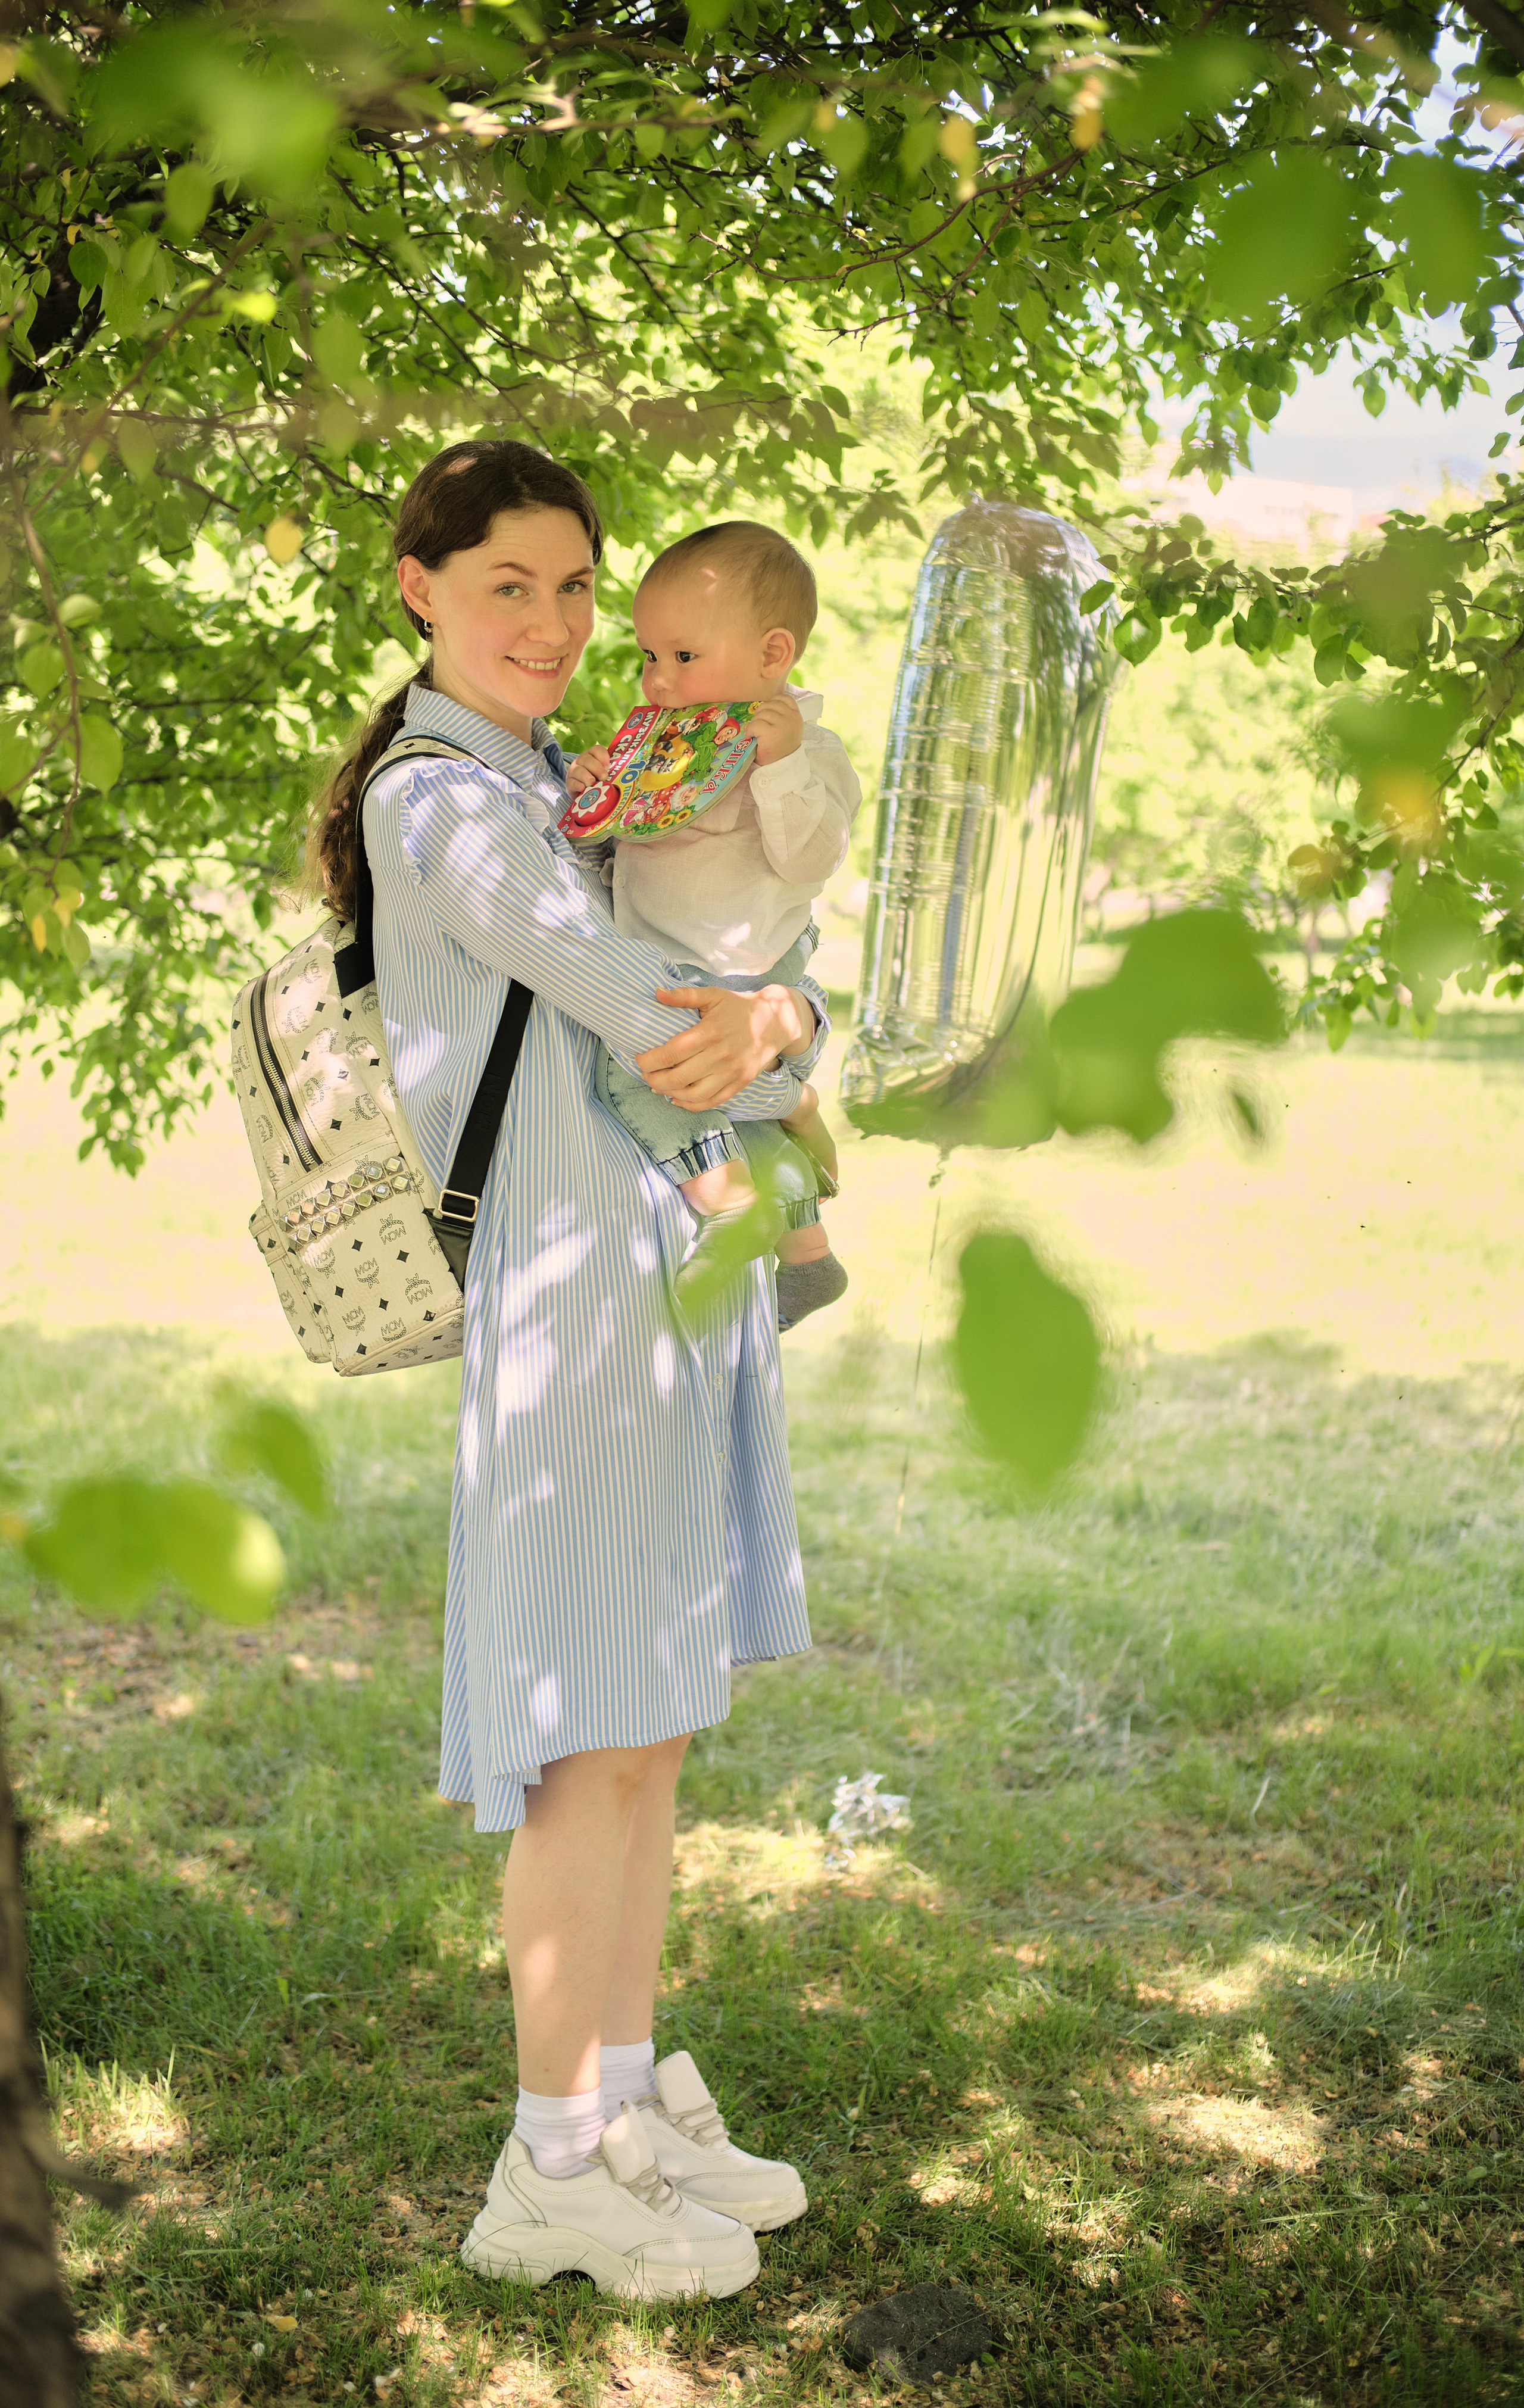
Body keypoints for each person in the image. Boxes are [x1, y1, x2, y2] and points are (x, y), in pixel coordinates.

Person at [309, 441, 825, 2300]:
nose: (551, 621)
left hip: (665, 1276)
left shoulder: (567, 777)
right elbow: (642, 997)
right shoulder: (444, 802)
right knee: (585, 1743)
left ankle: (621, 2101)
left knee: (651, 1721)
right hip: (570, 1305)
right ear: (420, 589)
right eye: (506, 584)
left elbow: (756, 967)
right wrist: (776, 1022)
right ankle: (546, 2166)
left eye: (576, 586)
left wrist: (790, 1008)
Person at [567, 523, 859, 1331]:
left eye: (684, 656)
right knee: (740, 1116)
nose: (659, 680)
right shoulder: (666, 749)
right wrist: (594, 795)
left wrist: (781, 766)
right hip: (674, 963)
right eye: (649, 656)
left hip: (739, 965)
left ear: (773, 655)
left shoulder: (811, 752)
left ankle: (731, 1212)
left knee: (643, 1074)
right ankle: (809, 1256)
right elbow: (606, 852)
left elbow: (811, 861)